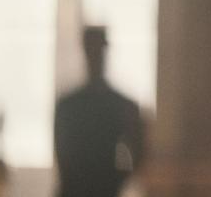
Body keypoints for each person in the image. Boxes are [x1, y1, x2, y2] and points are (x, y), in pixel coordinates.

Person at [54, 26, 146, 197]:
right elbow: (62, 155)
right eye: (92, 48)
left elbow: (139, 151)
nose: (95, 54)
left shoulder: (121, 105)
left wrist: (115, 179)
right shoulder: (68, 105)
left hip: (102, 188)